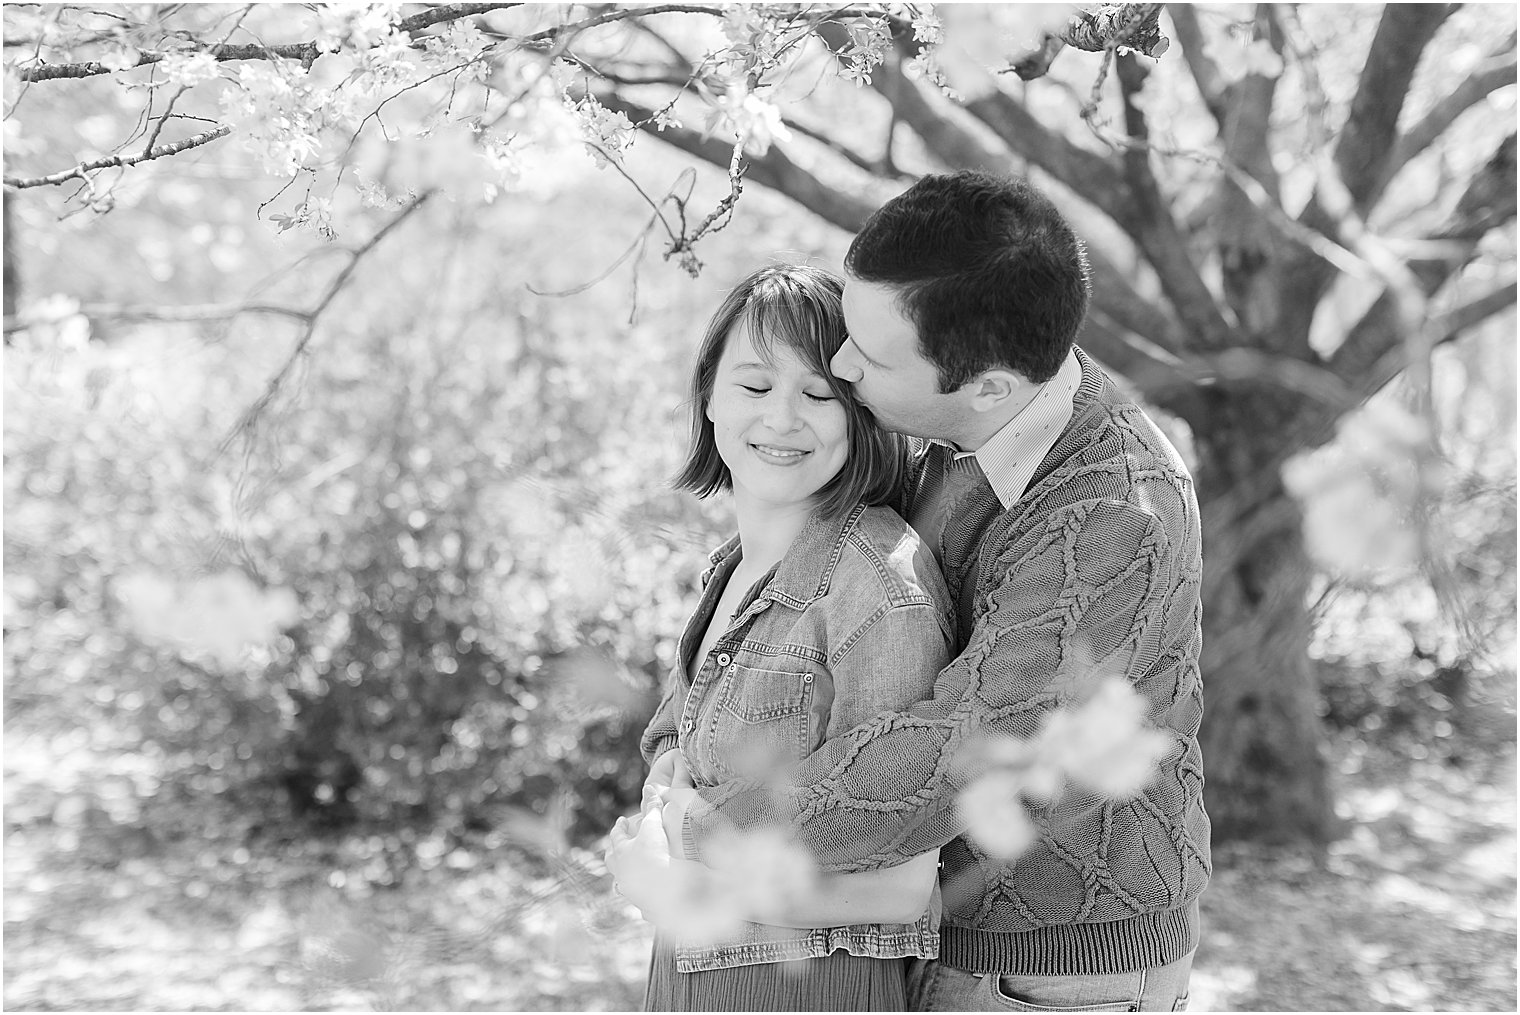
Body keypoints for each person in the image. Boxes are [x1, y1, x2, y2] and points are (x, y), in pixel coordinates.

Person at [620, 172, 1211, 1012]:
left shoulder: (1115, 510)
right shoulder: (950, 413)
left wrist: (705, 832)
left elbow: (957, 752)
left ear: (988, 387)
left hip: (1054, 967)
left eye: (868, 354)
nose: (841, 363)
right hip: (929, 931)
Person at [608, 263, 957, 1011]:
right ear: (708, 394)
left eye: (818, 394)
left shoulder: (879, 589)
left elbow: (901, 883)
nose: (782, 417)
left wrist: (685, 883)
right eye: (755, 386)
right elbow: (688, 765)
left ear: (858, 412)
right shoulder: (730, 572)